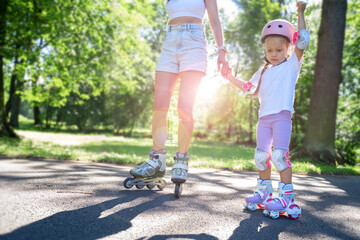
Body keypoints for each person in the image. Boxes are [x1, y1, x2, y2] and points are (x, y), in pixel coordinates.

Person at [222, 1, 309, 219]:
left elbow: (303, 39)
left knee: (279, 156)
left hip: (281, 118)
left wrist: (300, 12)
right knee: (262, 157)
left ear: (289, 49)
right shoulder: (262, 71)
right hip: (264, 120)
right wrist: (229, 76)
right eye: (269, 50)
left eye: (279, 50)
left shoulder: (291, 65)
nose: (274, 53)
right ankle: (264, 192)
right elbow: (247, 88)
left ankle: (286, 196)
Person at [129, 0, 229, 188]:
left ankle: (181, 160)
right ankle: (157, 160)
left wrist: (222, 51)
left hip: (194, 41)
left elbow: (215, 20)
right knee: (159, 105)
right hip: (170, 41)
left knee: (184, 106)